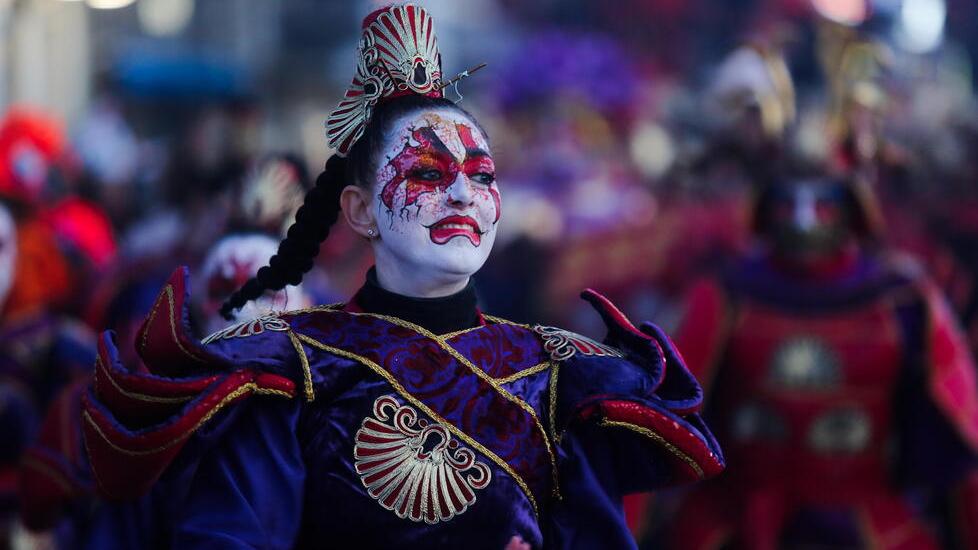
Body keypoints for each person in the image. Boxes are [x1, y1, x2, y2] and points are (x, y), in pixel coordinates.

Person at [79, 5, 723, 549]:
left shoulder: (559, 376)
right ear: (359, 210)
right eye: (427, 174)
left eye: (483, 175)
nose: (465, 196)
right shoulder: (289, 368)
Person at [667, 162, 978, 549]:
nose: (804, 221)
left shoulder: (903, 299)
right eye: (787, 203)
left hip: (868, 519)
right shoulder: (725, 294)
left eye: (822, 204)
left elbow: (959, 435)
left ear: (851, 209)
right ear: (766, 209)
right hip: (739, 517)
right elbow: (666, 409)